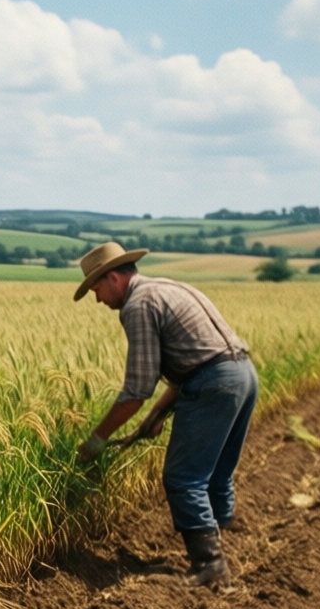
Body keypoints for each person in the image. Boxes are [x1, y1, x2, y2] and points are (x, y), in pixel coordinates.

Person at [73, 241, 258, 589]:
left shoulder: (138, 305)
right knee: (215, 474)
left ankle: (211, 566)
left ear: (113, 278)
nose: (98, 299)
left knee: (183, 477)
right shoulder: (169, 287)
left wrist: (96, 441)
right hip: (243, 376)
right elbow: (197, 360)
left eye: (96, 288)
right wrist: (158, 413)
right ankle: (221, 548)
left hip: (214, 384)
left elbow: (137, 390)